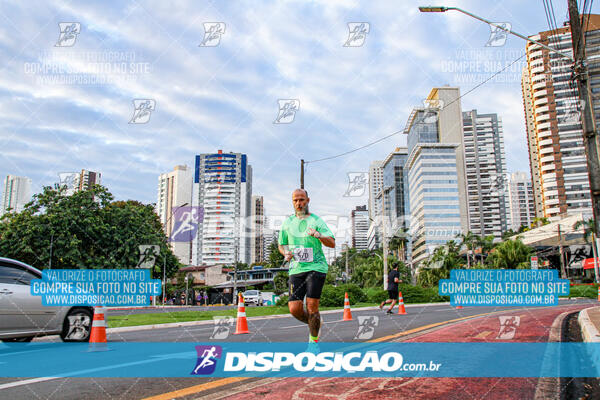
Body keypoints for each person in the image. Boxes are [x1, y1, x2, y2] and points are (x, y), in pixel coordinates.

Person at [278, 188, 335, 343]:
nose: (299, 203)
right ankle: (315, 322)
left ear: (307, 201)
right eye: (295, 200)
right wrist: (286, 253)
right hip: (296, 268)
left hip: (316, 267)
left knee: (311, 306)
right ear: (292, 202)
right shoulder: (288, 222)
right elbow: (282, 244)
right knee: (294, 309)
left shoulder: (316, 220)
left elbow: (332, 243)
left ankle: (313, 341)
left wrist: (319, 235)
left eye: (302, 199)